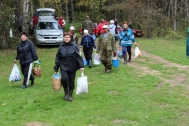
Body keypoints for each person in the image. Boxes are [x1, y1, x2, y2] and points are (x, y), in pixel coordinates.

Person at [54, 32, 84, 102]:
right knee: (64, 79)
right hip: (63, 66)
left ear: (70, 38)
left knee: (71, 81)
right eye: (65, 37)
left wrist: (81, 66)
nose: (66, 38)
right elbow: (58, 57)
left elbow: (78, 57)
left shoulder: (74, 46)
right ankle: (66, 93)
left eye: (68, 37)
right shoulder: (61, 47)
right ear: (63, 38)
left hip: (72, 67)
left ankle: (70, 95)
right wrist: (56, 67)